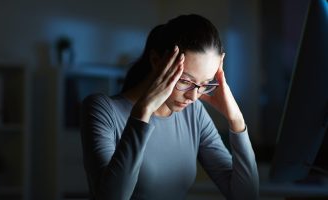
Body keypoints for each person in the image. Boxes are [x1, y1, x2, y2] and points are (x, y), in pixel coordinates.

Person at [80, 14, 259, 200]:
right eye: (185, 81)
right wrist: (143, 112)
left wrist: (236, 120)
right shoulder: (102, 109)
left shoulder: (193, 113)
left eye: (205, 84)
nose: (193, 95)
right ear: (157, 62)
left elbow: (246, 196)